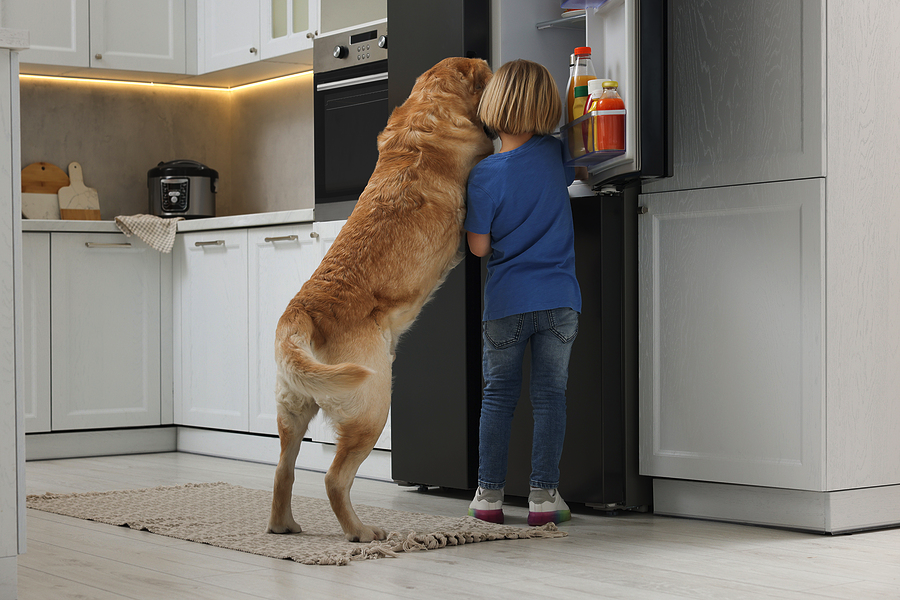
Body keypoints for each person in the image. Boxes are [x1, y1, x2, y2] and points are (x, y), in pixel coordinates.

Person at [464, 59, 581, 526]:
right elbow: (583, 174)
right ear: (545, 106)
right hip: (559, 299)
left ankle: (489, 498)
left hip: (507, 303)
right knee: (550, 397)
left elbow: (478, 249)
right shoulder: (557, 153)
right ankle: (543, 499)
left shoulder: (484, 174)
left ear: (492, 106)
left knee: (498, 397)